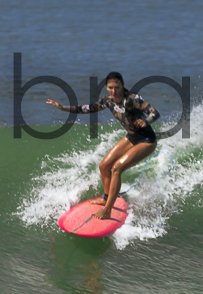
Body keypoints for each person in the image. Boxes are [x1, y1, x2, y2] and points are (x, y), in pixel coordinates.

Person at [47, 72, 159, 221]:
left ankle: (107, 210)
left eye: (117, 87)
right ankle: (107, 199)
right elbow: (87, 108)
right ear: (106, 87)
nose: (114, 91)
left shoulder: (132, 99)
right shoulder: (108, 101)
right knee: (104, 166)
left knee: (117, 168)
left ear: (123, 85)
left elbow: (154, 113)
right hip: (132, 137)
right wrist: (63, 108)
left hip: (146, 140)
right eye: (110, 88)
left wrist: (147, 121)